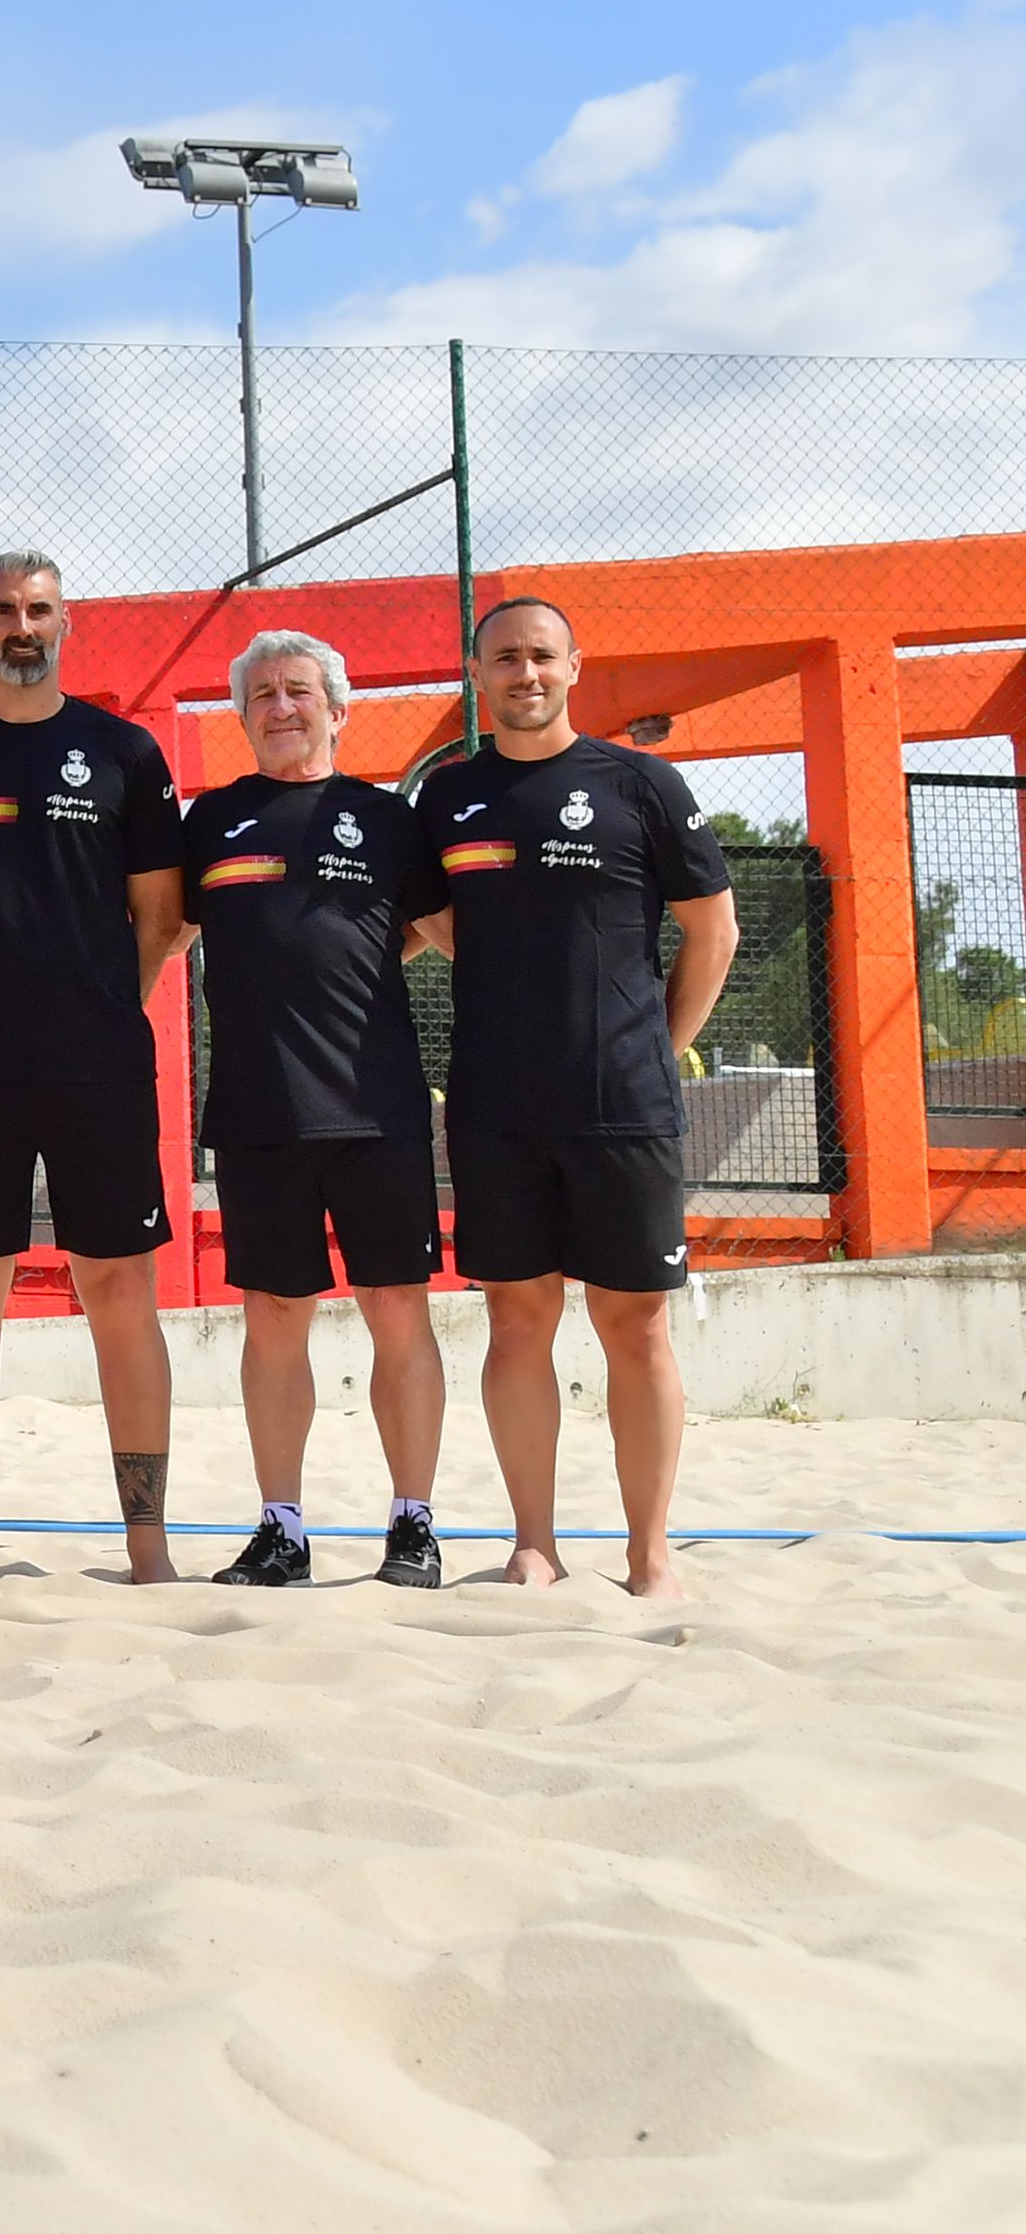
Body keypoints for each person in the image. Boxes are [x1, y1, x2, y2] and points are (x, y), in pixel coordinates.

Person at [409, 598, 737, 1600]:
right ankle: (534, 1544)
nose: (524, 673)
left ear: (572, 666)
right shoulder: (445, 799)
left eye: (540, 656)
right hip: (496, 1106)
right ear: (476, 673)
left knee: (634, 1326)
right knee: (516, 1322)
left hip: (621, 1107)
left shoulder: (638, 783)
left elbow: (711, 932)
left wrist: (646, 1044)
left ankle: (648, 1554)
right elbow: (425, 919)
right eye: (503, 658)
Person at [0, 550, 188, 1585]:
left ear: (67, 625)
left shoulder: (122, 753)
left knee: (118, 1286)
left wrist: (95, 1007)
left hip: (99, 1064)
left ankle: (147, 1547)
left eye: (40, 610)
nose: (22, 625)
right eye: (4, 609)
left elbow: (158, 919)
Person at [183, 629, 448, 1590]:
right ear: (243, 715)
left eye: (300, 690)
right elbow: (159, 934)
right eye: (262, 694)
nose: (282, 706)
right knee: (274, 1318)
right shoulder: (210, 822)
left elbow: (443, 936)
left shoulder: (389, 820)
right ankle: (281, 1529)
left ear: (339, 708)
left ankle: (413, 1524)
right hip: (259, 1115)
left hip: (377, 1112)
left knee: (397, 1313)